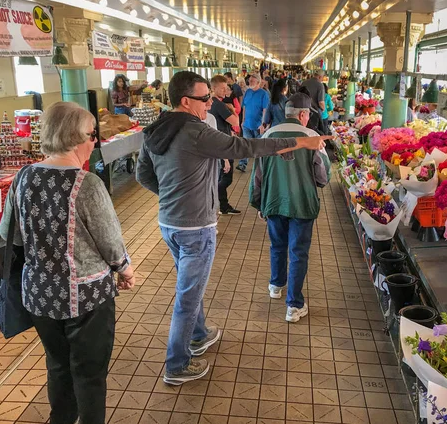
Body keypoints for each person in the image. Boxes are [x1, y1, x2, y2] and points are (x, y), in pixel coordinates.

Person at [136, 71, 331, 385]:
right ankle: (176, 365)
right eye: (205, 99)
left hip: (168, 224)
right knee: (187, 295)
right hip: (196, 227)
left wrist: (171, 196)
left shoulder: (155, 129)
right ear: (185, 101)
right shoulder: (195, 131)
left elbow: (142, 176)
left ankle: (199, 334)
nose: (211, 103)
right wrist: (300, 141)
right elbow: (246, 148)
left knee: (191, 285)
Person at [0, 101, 135, 424]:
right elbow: (111, 242)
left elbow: (9, 235)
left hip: (39, 297)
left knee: (58, 366)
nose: (94, 142)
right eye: (91, 135)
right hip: (86, 299)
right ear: (74, 138)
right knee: (89, 374)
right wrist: (125, 270)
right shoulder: (87, 184)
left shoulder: (22, 179)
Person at [249, 92, 331, 322]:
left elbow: (258, 175)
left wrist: (259, 202)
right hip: (302, 204)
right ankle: (294, 305)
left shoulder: (268, 135)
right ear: (303, 115)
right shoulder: (312, 137)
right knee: (298, 252)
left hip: (273, 202)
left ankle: (276, 285)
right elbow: (323, 177)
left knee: (277, 245)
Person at [210, 75, 241, 215]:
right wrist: (233, 110)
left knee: (222, 177)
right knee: (225, 178)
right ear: (213, 88)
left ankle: (222, 205)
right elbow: (235, 122)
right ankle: (215, 203)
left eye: (226, 88)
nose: (225, 91)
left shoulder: (211, 104)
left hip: (221, 142)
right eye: (222, 88)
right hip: (223, 146)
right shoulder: (218, 104)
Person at [237, 72, 270, 172]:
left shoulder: (264, 94)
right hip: (247, 124)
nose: (250, 82)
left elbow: (265, 110)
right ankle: (242, 164)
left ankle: (260, 166)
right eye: (249, 80)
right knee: (246, 144)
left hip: (258, 125)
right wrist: (242, 121)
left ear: (258, 82)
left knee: (258, 147)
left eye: (252, 81)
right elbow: (244, 107)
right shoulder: (247, 92)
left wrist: (263, 124)